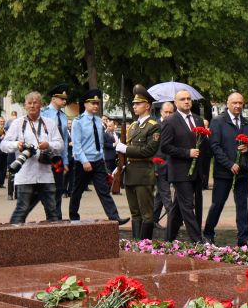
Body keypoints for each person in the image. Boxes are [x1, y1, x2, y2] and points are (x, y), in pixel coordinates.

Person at [0, 92, 63, 223]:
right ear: (25, 106)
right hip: (25, 174)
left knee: (53, 211)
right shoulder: (17, 123)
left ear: (41, 105)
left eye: (35, 102)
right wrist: (17, 144)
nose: (32, 105)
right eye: (29, 103)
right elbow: (3, 145)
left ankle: (56, 241)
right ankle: (13, 238)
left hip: (45, 174)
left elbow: (60, 145)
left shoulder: (49, 123)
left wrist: (48, 145)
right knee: (22, 209)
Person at [69, 89, 129, 224]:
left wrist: (101, 158)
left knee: (103, 190)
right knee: (77, 191)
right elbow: (77, 145)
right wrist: (84, 161)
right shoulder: (78, 121)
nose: (95, 105)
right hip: (83, 162)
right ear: (85, 104)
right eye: (92, 103)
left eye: (97, 103)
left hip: (97, 161)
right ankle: (73, 216)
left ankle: (114, 217)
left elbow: (100, 143)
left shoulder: (98, 121)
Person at [203, 92, 248, 247]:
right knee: (217, 204)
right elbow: (215, 147)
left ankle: (243, 239)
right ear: (228, 103)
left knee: (242, 205)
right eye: (234, 103)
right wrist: (229, 164)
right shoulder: (218, 122)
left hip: (242, 171)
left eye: (240, 103)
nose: (238, 106)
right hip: (223, 172)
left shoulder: (245, 123)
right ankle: (208, 234)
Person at [160, 89, 209, 243]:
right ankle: (197, 240)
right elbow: (165, 147)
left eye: (188, 99)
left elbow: (203, 146)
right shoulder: (170, 121)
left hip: (196, 171)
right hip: (180, 171)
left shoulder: (198, 120)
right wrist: (187, 153)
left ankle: (168, 238)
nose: (187, 101)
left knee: (177, 207)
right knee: (188, 205)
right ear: (176, 103)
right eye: (183, 99)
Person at [115, 85, 160, 240]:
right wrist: (119, 165)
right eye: (133, 104)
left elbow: (148, 151)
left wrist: (126, 149)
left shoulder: (153, 126)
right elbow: (127, 150)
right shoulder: (134, 126)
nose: (134, 106)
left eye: (138, 103)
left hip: (143, 174)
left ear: (147, 106)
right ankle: (135, 244)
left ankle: (145, 245)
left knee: (146, 213)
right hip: (130, 173)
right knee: (135, 213)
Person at [40, 85, 69, 216]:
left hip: (57, 158)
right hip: (44, 157)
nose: (64, 101)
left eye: (65, 99)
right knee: (45, 189)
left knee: (58, 188)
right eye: (61, 98)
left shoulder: (63, 116)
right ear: (53, 98)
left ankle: (57, 216)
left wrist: (66, 161)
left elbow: (64, 141)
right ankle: (50, 215)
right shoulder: (43, 113)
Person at [153, 102, 174, 227]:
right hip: (159, 165)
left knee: (160, 195)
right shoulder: (155, 126)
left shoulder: (174, 125)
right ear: (161, 112)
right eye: (166, 112)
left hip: (171, 165)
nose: (168, 114)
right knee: (166, 194)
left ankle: (153, 219)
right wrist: (154, 167)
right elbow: (153, 149)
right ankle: (173, 220)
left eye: (170, 112)